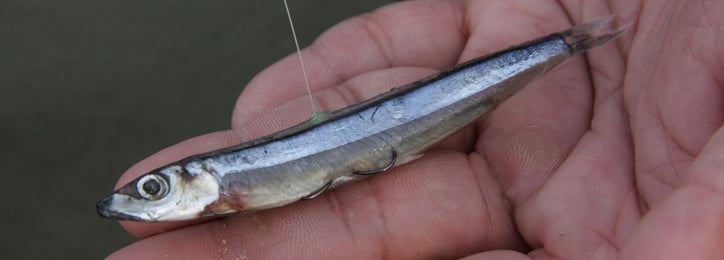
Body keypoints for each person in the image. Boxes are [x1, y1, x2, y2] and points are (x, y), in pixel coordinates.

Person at [107, 0, 724, 259]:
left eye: (155, 189)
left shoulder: (227, 182)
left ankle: (568, 43)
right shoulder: (231, 190)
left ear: (197, 178)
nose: (145, 197)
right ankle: (568, 43)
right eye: (148, 193)